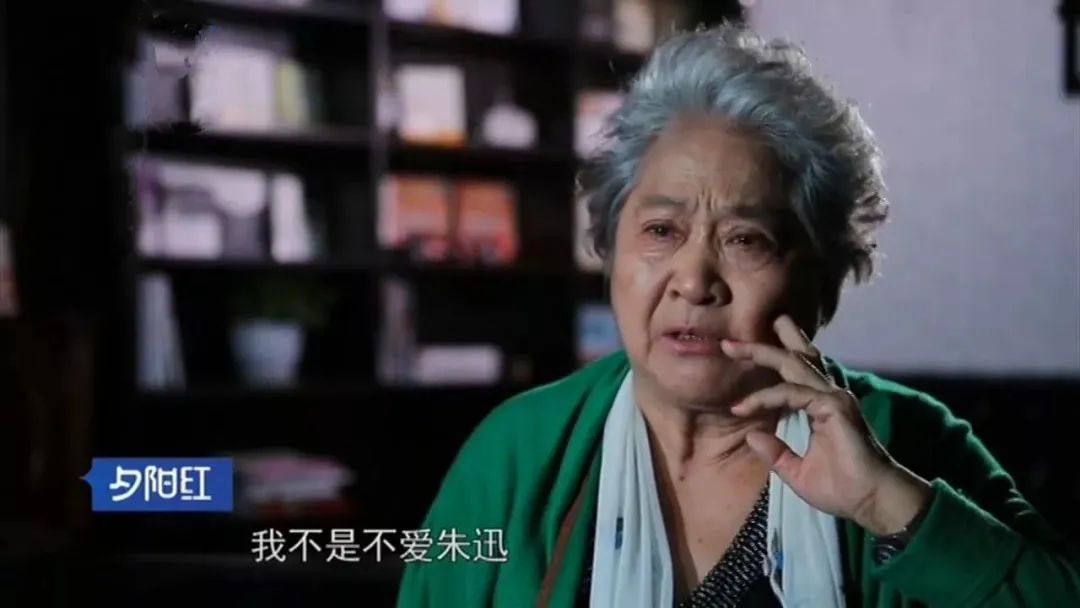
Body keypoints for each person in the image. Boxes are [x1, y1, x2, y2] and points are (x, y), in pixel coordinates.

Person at [395, 22, 1080, 608]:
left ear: (823, 279)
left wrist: (886, 505)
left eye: (746, 240)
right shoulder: (518, 453)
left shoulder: (909, 442)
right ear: (610, 249)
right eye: (661, 231)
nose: (693, 281)